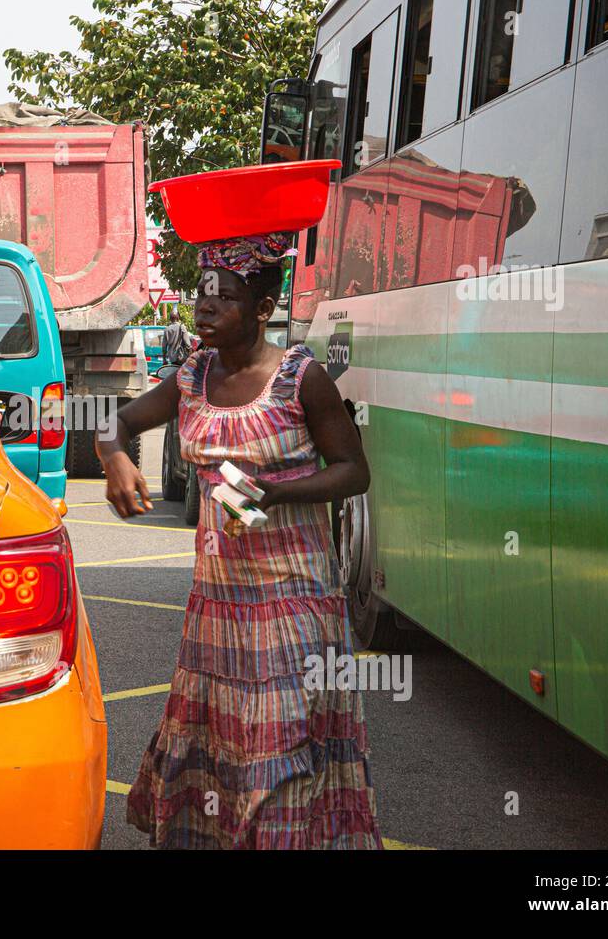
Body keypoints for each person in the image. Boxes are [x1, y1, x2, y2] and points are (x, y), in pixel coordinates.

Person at [97, 231, 382, 849]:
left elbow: (354, 471)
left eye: (222, 298)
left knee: (279, 748)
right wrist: (113, 455)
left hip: (293, 604)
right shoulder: (192, 377)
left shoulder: (301, 378)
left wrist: (276, 491)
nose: (203, 309)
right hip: (217, 608)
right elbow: (115, 421)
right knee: (224, 747)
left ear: (260, 308)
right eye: (201, 296)